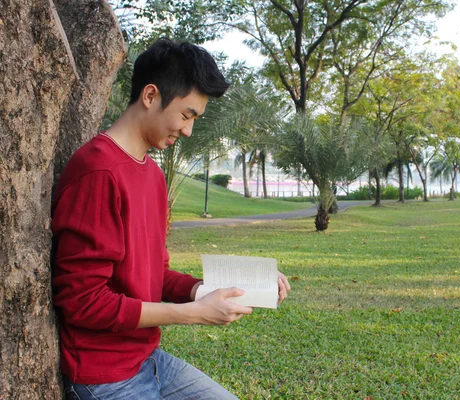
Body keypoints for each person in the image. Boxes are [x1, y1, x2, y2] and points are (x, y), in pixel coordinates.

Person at [51, 38, 291, 400]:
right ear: (150, 96)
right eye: (186, 115)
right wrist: (192, 314)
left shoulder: (151, 174)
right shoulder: (98, 171)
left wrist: (234, 288)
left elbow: (155, 276)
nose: (188, 130)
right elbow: (82, 301)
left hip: (150, 360)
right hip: (106, 376)